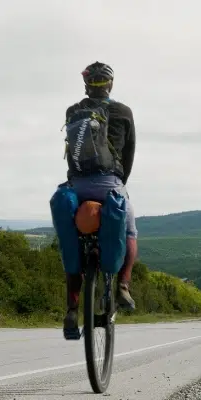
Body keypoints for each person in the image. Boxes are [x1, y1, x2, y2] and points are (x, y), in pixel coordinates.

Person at [62, 61, 138, 335]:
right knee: (129, 230)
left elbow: (71, 152)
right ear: (111, 85)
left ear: (86, 85)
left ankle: (72, 309)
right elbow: (128, 154)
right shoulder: (123, 112)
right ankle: (123, 286)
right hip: (111, 184)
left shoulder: (73, 112)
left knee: (71, 240)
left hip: (77, 186)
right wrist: (120, 182)